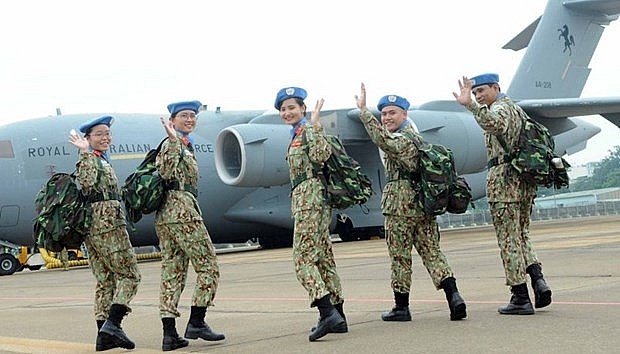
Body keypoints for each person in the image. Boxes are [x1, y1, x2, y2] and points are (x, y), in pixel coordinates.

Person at [354, 83, 467, 322]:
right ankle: (454, 296)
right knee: (432, 253)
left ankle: (401, 307)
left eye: (392, 113)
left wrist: (365, 114)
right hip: (422, 204)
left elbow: (384, 141)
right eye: (383, 113)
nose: (386, 118)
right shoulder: (417, 138)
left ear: (405, 115)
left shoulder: (404, 139)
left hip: (400, 206)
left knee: (400, 256)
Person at [453, 73, 552, 315]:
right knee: (521, 235)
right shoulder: (515, 109)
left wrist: (471, 106)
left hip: (505, 181)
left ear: (497, 87)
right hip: (522, 180)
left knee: (508, 239)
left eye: (482, 90)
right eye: (475, 92)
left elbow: (493, 124)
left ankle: (520, 296)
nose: (478, 95)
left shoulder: (501, 109)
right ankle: (538, 282)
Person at [275, 87, 347, 342]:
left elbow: (321, 156)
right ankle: (338, 315)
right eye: (283, 109)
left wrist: (315, 126)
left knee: (302, 260)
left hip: (310, 202)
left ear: (303, 109)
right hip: (310, 201)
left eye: (292, 107)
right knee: (323, 258)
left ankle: (326, 312)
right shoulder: (296, 134)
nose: (287, 112)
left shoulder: (308, 131)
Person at [156, 100, 225, 351]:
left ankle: (169, 333)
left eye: (193, 116)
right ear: (172, 120)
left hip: (169, 215)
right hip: (182, 213)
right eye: (184, 116)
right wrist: (173, 141)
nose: (189, 119)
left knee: (172, 273)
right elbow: (164, 172)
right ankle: (197, 320)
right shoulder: (172, 144)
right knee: (209, 267)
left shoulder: (184, 145)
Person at [68, 116, 141, 351]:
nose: (105, 137)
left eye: (108, 133)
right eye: (99, 134)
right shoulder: (90, 159)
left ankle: (103, 337)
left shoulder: (102, 159)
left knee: (105, 281)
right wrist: (84, 152)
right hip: (107, 227)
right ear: (88, 138)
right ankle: (113, 324)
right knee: (131, 275)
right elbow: (87, 182)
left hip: (98, 227)